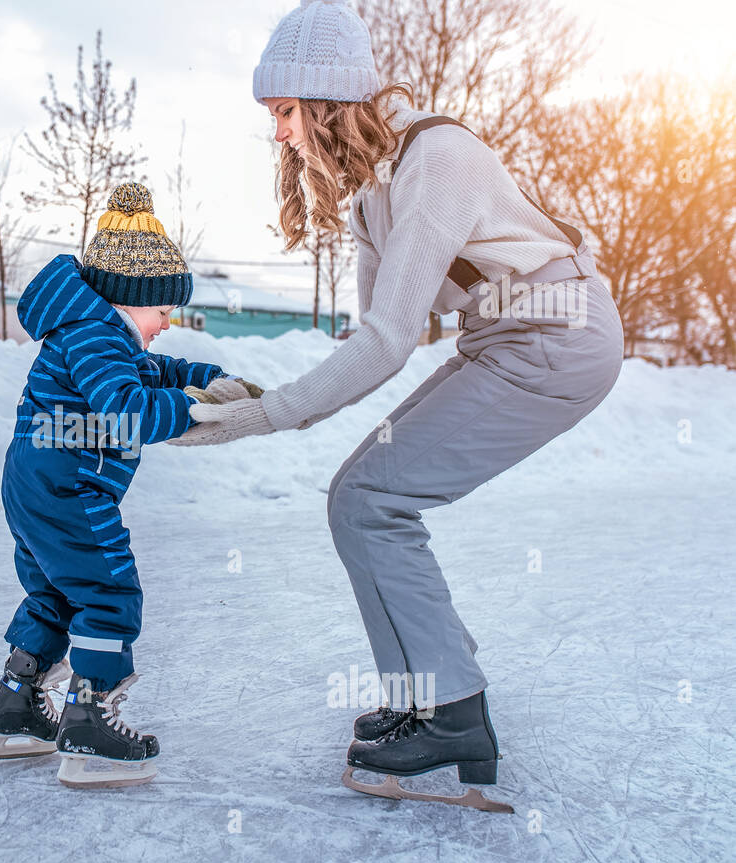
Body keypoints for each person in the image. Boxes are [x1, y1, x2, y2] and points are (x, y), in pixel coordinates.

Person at [171, 0, 624, 808]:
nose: (279, 132)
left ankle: (452, 712)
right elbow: (378, 334)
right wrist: (258, 393)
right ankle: (431, 683)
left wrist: (265, 417)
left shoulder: (436, 158)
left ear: (328, 101)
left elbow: (388, 339)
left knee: (373, 499)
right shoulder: (372, 192)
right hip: (505, 337)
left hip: (559, 332)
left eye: (284, 112)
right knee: (360, 497)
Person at [0, 182, 264, 789]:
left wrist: (211, 379)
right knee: (110, 593)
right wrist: (192, 408)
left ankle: (17, 706)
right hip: (72, 489)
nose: (168, 324)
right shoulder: (96, 338)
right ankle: (90, 723)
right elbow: (126, 411)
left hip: (36, 486)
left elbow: (155, 371)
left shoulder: (95, 333)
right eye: (164, 311)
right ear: (132, 300)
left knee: (57, 595)